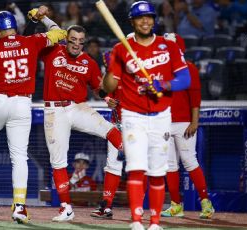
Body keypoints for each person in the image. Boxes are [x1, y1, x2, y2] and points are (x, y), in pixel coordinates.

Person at [0, 11, 66, 224]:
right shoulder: (32, 41)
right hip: (23, 103)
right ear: (15, 27)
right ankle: (20, 206)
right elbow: (59, 33)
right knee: (19, 156)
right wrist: (41, 17)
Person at [25, 6, 124, 222]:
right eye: (73, 39)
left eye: (81, 40)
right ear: (66, 38)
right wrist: (37, 19)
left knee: (111, 131)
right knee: (58, 162)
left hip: (77, 107)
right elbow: (29, 43)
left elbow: (98, 87)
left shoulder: (89, 62)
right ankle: (66, 208)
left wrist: (106, 98)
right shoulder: (52, 50)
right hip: (54, 110)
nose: (77, 43)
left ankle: (129, 153)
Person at [102, 1, 191, 230]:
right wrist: (113, 70)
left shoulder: (167, 46)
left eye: (149, 17)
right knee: (136, 166)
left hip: (161, 115)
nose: (145, 21)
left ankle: (154, 223)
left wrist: (163, 83)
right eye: (140, 18)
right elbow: (108, 85)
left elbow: (185, 79)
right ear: (132, 21)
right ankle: (135, 221)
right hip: (133, 116)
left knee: (158, 170)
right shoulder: (121, 49)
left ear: (154, 20)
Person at [159, 33, 215, 219]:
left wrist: (195, 121)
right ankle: (176, 205)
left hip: (184, 123)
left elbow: (195, 97)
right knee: (170, 165)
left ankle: (206, 203)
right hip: (164, 122)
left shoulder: (189, 68)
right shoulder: (160, 69)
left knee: (190, 161)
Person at [90, 51, 124, 220]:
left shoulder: (141, 68)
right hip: (117, 124)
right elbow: (102, 89)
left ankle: (145, 209)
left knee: (143, 166)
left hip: (140, 124)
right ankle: (106, 205)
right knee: (113, 165)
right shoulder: (113, 67)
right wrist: (108, 98)